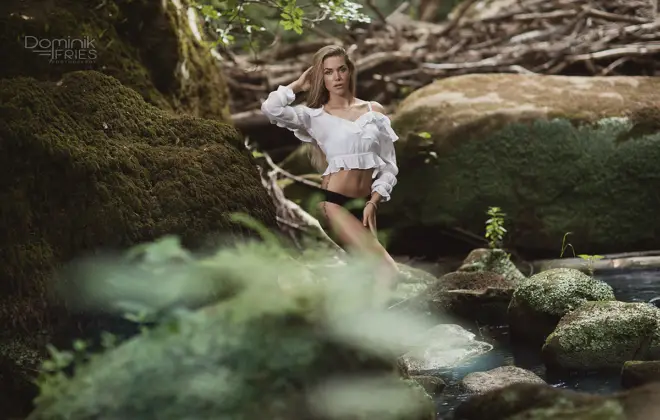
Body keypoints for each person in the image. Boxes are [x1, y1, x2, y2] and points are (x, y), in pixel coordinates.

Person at [260, 45, 400, 294]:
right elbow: (271, 109)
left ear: (350, 72)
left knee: (367, 271)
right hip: (336, 204)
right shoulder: (314, 116)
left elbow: (389, 166)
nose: (336, 77)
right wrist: (299, 85)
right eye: (328, 72)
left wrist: (375, 200)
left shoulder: (374, 112)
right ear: (319, 77)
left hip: (366, 204)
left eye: (341, 69)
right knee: (386, 270)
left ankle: (347, 323)